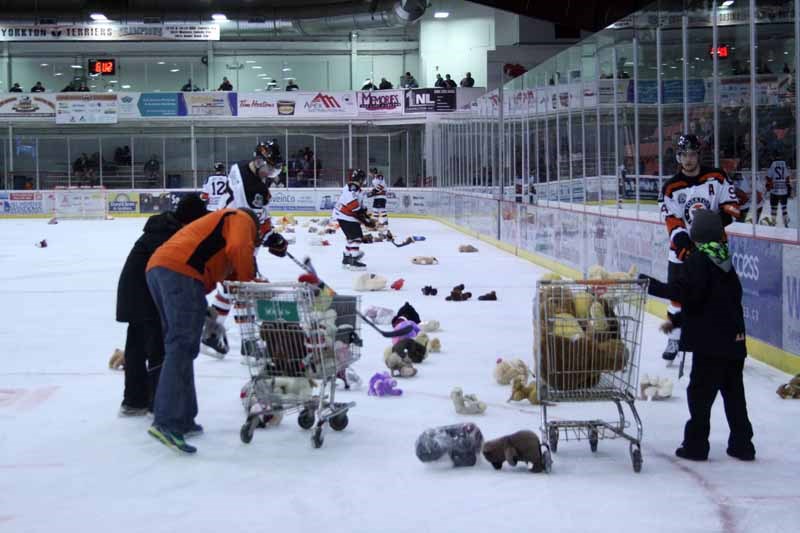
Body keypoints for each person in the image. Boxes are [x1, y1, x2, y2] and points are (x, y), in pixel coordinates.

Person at [145, 208, 266, 453]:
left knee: (181, 346)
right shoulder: (240, 218)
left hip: (162, 269)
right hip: (181, 272)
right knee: (181, 346)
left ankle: (184, 418)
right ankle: (167, 421)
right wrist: (249, 281)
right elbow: (240, 248)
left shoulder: (222, 228)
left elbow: (233, 281)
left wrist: (244, 290)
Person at [640, 209, 755, 462]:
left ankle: (696, 446)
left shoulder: (700, 260)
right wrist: (679, 320)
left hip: (710, 345)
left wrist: (648, 284)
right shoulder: (724, 259)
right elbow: (714, 300)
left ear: (697, 235)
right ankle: (743, 445)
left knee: (700, 396)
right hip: (733, 342)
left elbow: (684, 293)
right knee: (734, 395)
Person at [116, 194, 208, 417]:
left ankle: (135, 401)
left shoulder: (164, 227)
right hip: (144, 296)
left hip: (134, 293)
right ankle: (157, 403)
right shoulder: (169, 235)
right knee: (157, 349)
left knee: (137, 348)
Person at [658, 134, 740, 363]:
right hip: (682, 252)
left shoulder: (717, 177)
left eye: (692, 154)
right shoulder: (671, 187)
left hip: (715, 250)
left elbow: (734, 209)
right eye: (684, 155)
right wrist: (685, 246)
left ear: (698, 155)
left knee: (720, 296)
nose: (689, 159)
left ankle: (727, 339)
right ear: (678, 157)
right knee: (677, 297)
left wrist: (713, 227)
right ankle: (674, 338)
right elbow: (672, 221)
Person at [201, 141, 287, 358]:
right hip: (234, 240)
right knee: (244, 288)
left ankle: (211, 333)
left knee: (230, 288)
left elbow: (257, 219)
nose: (271, 173)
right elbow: (254, 224)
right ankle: (248, 341)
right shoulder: (254, 191)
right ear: (258, 161)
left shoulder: (240, 167)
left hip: (223, 234)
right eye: (269, 167)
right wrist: (271, 238)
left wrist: (270, 235)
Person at [334, 169, 377, 270]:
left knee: (351, 239)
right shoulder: (353, 188)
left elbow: (359, 208)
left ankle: (347, 258)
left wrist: (367, 218)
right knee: (357, 238)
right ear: (360, 179)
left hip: (344, 217)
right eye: (363, 179)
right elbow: (354, 208)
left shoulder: (354, 188)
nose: (364, 181)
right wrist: (366, 222)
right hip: (346, 217)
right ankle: (354, 260)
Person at [766, 155, 792, 227]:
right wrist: (789, 187)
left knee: (774, 207)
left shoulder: (773, 164)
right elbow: (787, 177)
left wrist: (768, 185)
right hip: (783, 190)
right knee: (784, 207)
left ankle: (773, 222)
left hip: (774, 190)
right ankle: (786, 222)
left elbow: (768, 176)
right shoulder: (784, 164)